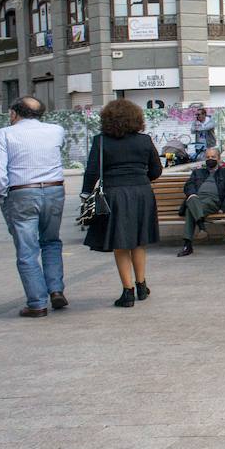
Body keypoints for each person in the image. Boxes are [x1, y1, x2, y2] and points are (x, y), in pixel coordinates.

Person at [0, 96, 67, 318]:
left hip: (21, 192)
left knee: (27, 250)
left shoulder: (3, 134)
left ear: (14, 113)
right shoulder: (56, 130)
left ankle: (37, 303)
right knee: (51, 241)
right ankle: (55, 290)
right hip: (54, 189)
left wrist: (1, 195)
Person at [82, 100, 162, 307]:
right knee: (138, 241)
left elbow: (92, 172)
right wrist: (139, 180)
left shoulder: (101, 141)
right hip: (142, 193)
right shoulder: (145, 140)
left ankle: (128, 291)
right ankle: (142, 285)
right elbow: (156, 171)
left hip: (114, 193)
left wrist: (85, 195)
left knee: (120, 243)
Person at [177, 148, 225, 257]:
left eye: (213, 157)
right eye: (208, 157)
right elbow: (188, 186)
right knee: (192, 200)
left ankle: (188, 244)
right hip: (197, 199)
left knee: (191, 208)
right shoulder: (197, 172)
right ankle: (201, 227)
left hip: (213, 201)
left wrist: (223, 208)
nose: (210, 159)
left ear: (219, 159)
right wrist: (192, 194)